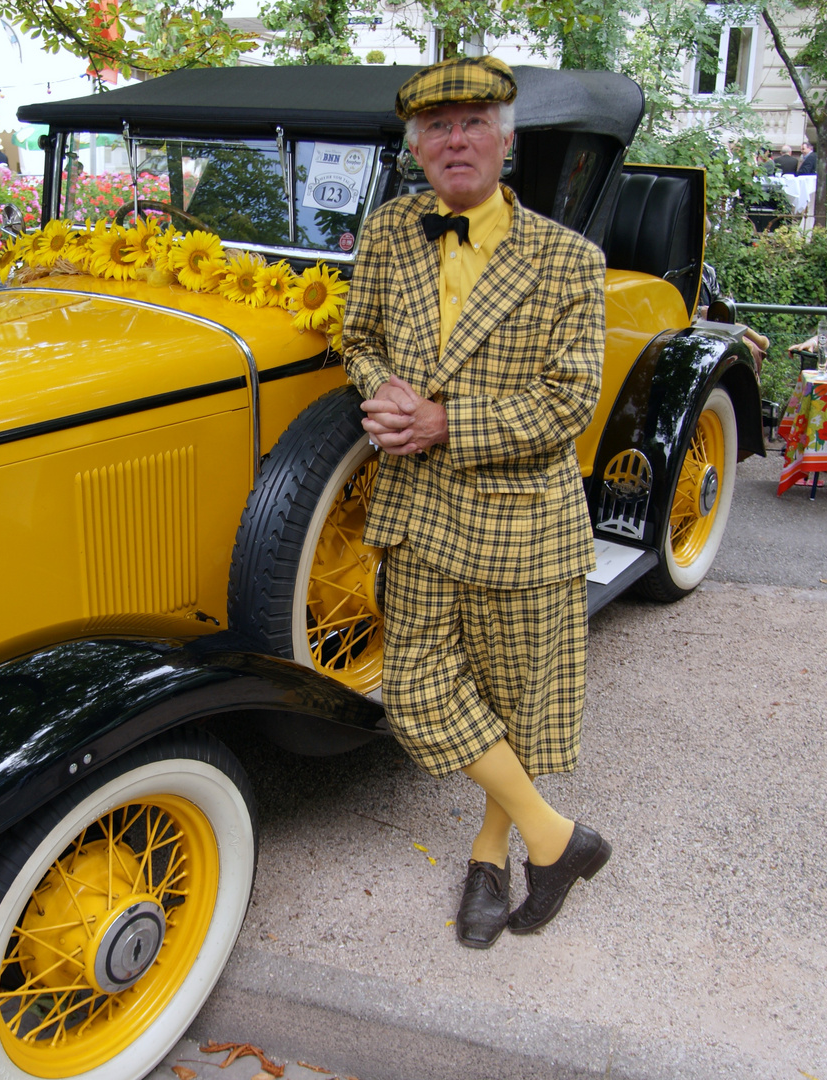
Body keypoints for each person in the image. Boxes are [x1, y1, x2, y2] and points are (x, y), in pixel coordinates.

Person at [342, 54, 612, 950]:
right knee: (418, 693)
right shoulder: (386, 233)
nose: (454, 140)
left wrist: (443, 422)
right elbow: (360, 335)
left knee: (513, 702)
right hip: (418, 513)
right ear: (416, 150)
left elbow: (568, 401)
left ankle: (491, 856)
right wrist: (382, 394)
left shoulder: (572, 260)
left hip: (521, 524)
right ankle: (556, 838)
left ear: (505, 142)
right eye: (436, 129)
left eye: (472, 124)